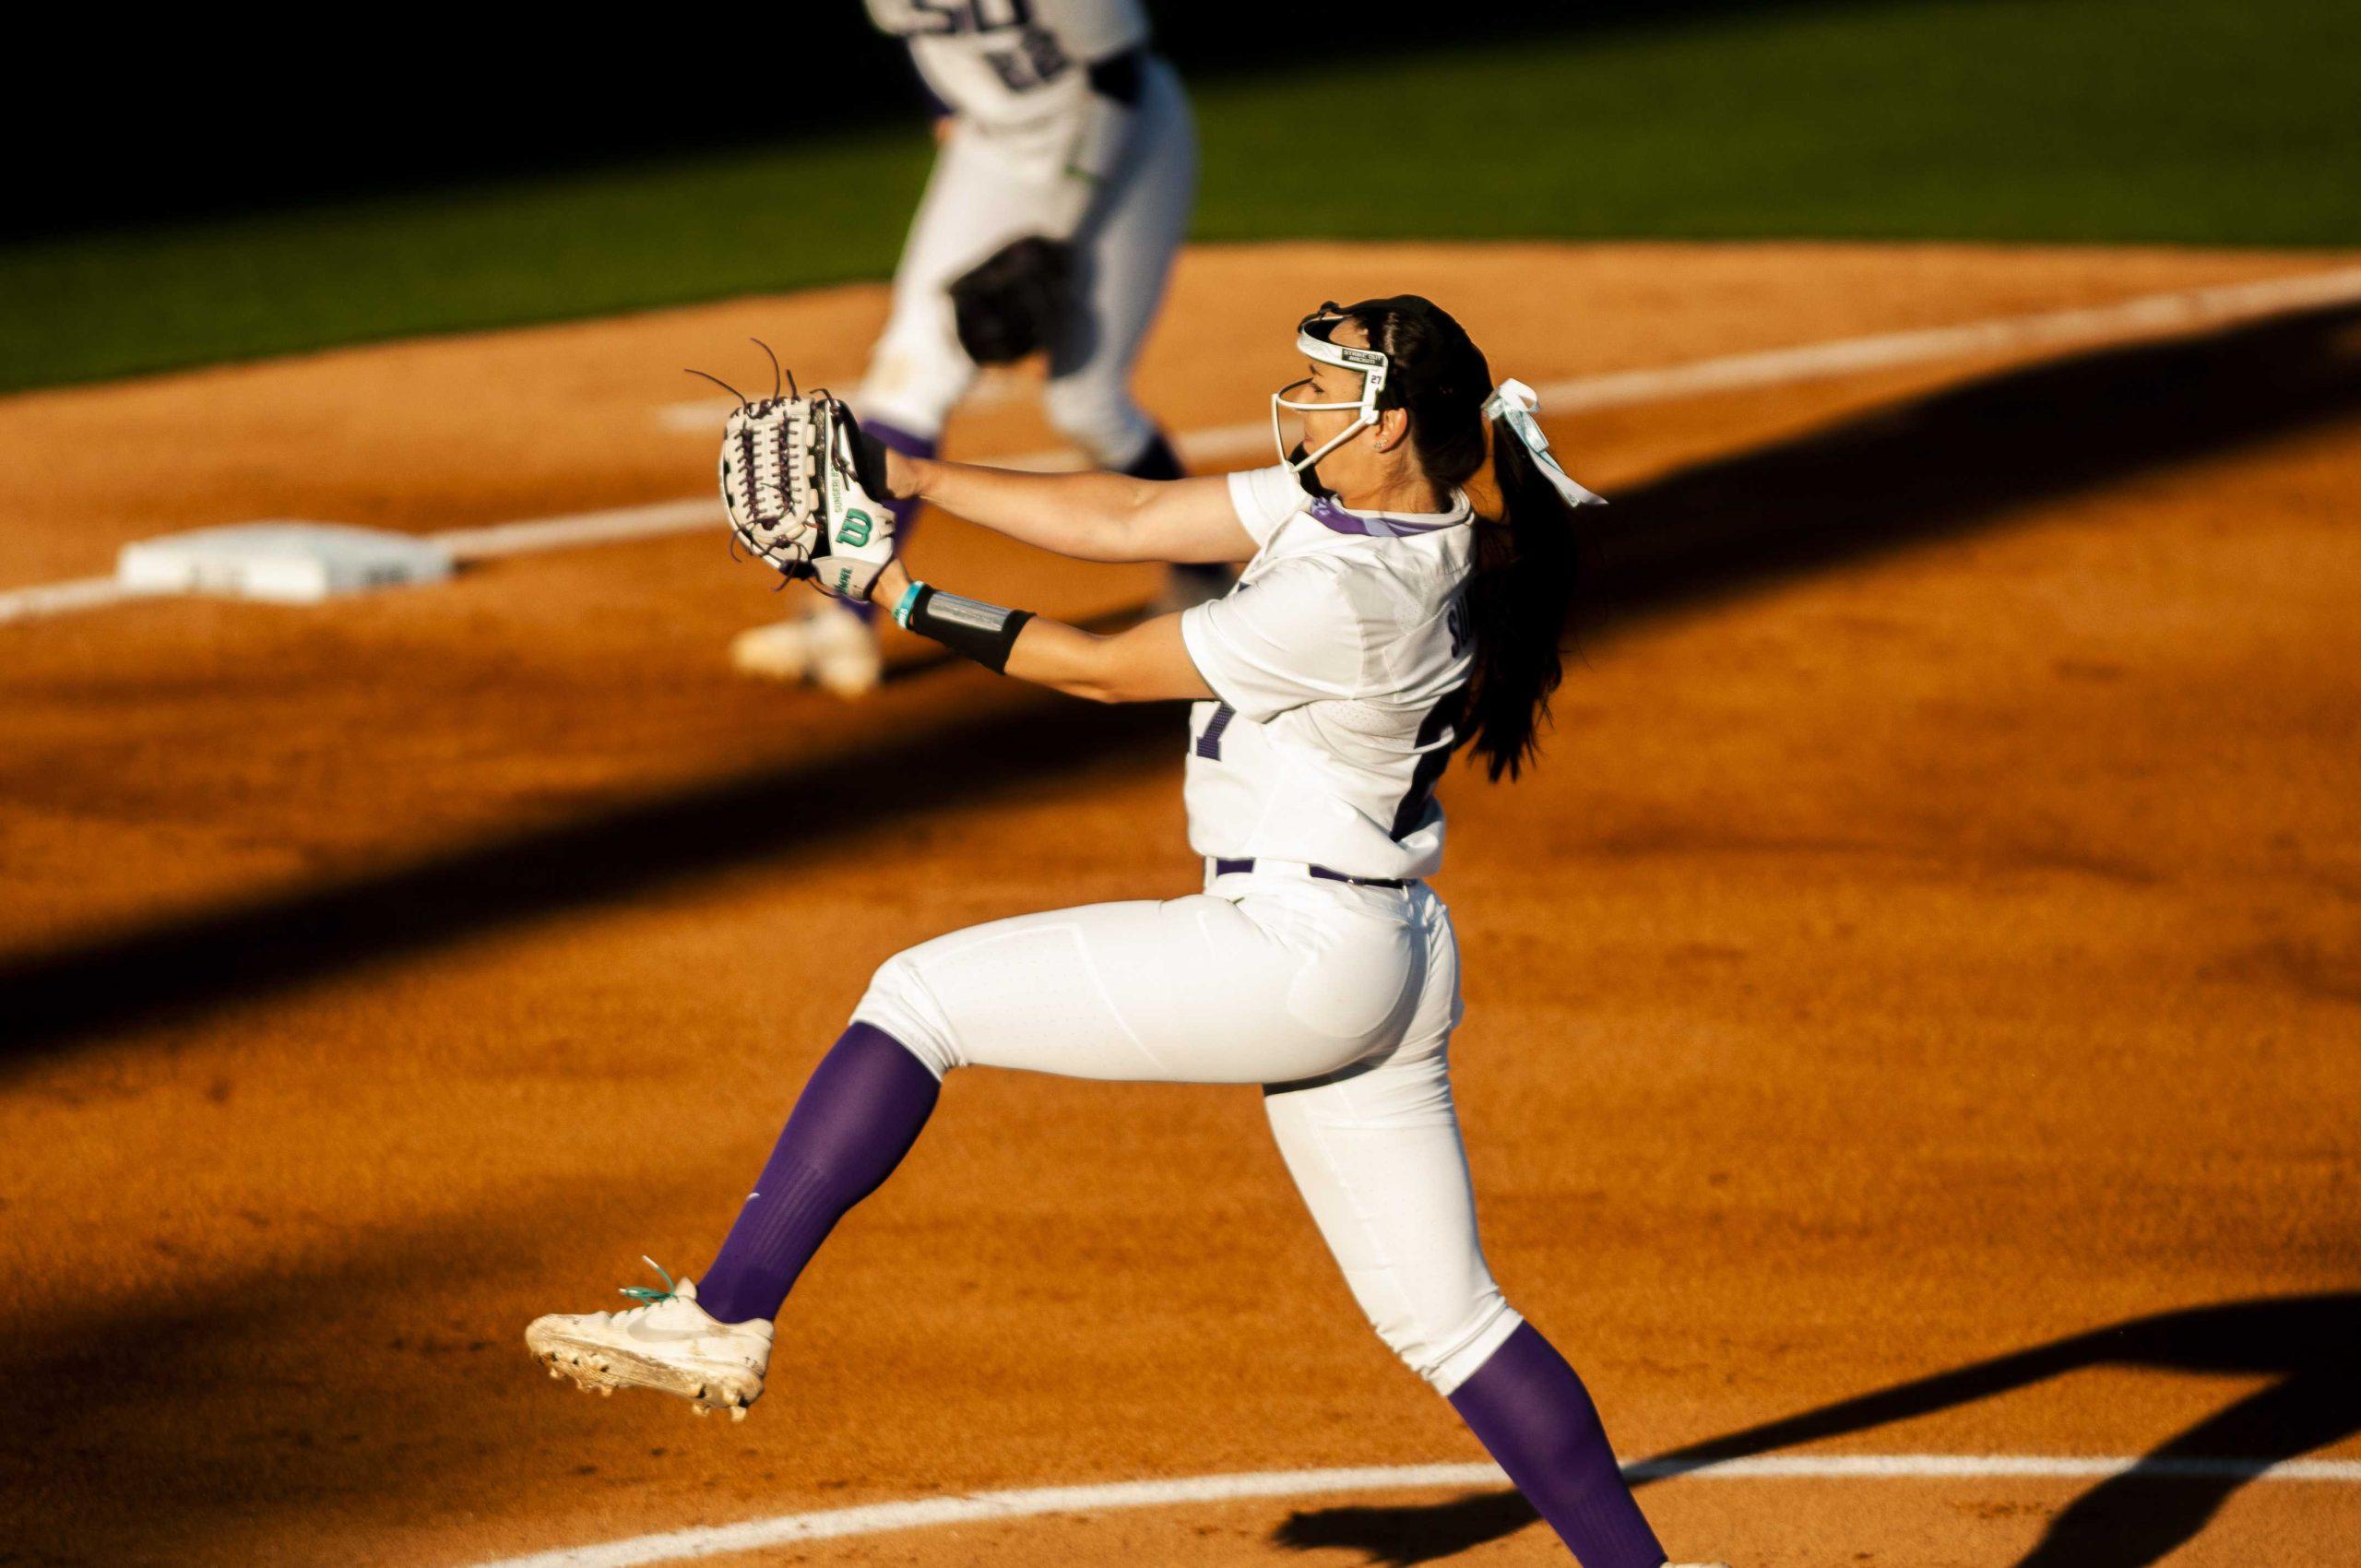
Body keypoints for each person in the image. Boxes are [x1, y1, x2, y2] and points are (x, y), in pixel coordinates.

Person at [532, 296, 1726, 1568]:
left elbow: (1103, 670)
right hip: (1386, 948)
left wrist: (887, 586)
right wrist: (914, 469)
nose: (1304, 403)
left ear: (1387, 426)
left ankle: (727, 1312)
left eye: (1328, 388)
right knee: (1454, 1324)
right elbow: (1134, 519)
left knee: (919, 997)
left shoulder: (1351, 593)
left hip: (1296, 949)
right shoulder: (1390, 519)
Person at [731, 0, 1221, 697]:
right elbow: (927, 43)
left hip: (1121, 140)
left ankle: (1206, 575)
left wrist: (1056, 226)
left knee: (1086, 403)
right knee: (905, 377)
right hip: (991, 150)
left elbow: (1118, 73)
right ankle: (844, 619)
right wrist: (952, 128)